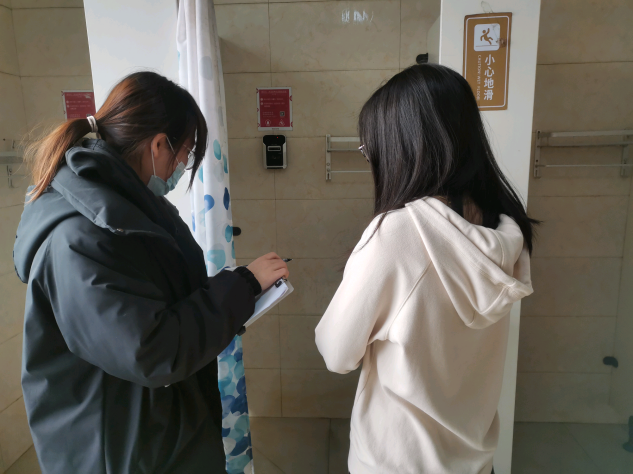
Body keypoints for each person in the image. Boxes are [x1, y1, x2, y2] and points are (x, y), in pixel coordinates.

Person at [13, 71, 289, 474]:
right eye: (186, 153)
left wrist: (242, 291)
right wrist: (242, 286)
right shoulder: (79, 237)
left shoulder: (131, 210)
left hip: (158, 431)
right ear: (159, 144)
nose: (183, 167)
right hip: (120, 451)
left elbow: (165, 301)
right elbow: (151, 350)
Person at [315, 64, 537, 474]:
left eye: (371, 149)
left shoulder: (398, 235)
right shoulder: (501, 226)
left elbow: (336, 353)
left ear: (401, 148)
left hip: (397, 462)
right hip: (475, 461)